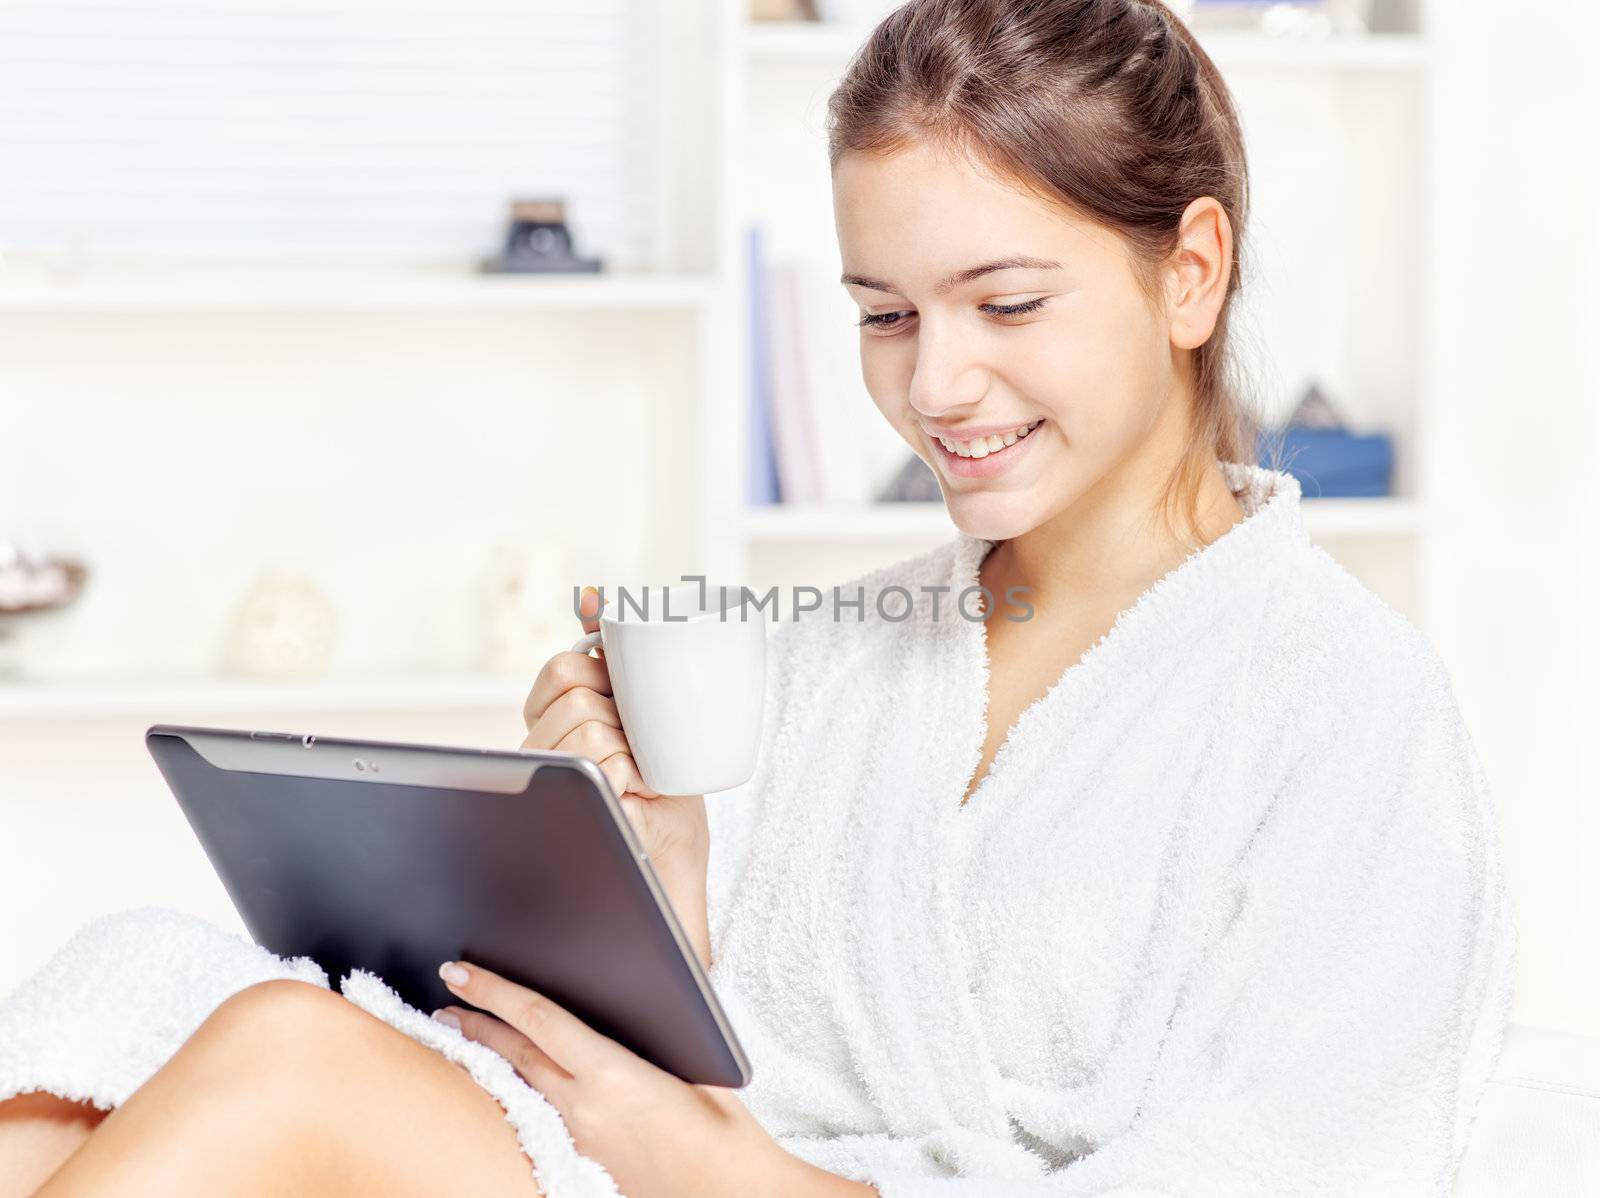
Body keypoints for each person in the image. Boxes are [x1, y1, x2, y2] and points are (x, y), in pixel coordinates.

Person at [0, 1, 1514, 1194]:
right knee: (82, 1067)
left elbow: (1305, 1165)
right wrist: (662, 899)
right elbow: (757, 1060)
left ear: (1190, 273)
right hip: (671, 1163)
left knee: (283, 1061)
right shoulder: (842, 653)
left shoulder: (1340, 703)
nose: (935, 384)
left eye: (1007, 303)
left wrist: (761, 1186)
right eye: (885, 315)